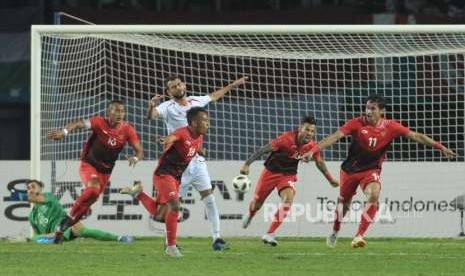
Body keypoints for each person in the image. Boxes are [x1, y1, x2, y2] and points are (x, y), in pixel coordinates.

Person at [303, 94, 456, 248]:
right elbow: (335, 136)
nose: (368, 111)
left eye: (373, 108)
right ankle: (335, 231)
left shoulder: (391, 126)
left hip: (371, 170)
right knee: (344, 204)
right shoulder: (356, 123)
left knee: (374, 194)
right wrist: (313, 150)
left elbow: (416, 136)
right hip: (350, 170)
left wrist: (440, 146)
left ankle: (359, 236)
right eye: (367, 107)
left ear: (382, 111)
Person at [123, 75, 247, 251]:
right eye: (173, 86)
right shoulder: (167, 107)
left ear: (184, 85)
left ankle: (217, 238)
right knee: (163, 212)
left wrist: (233, 85)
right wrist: (151, 105)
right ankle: (167, 237)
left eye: (179, 84)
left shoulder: (195, 101)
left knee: (209, 198)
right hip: (177, 165)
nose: (178, 87)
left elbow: (213, 96)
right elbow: (152, 116)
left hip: (197, 161)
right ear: (169, 92)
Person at [48, 100, 143, 243]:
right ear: (108, 112)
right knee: (93, 189)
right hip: (89, 164)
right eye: (116, 110)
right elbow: (78, 123)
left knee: (90, 200)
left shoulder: (128, 130)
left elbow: (139, 150)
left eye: (122, 111)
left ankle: (64, 226)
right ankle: (66, 221)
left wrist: (135, 158)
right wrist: (64, 132)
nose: (120, 114)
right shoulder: (99, 122)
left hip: (105, 172)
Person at [239, 116, 339, 246]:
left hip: (288, 175)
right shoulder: (286, 139)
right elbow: (263, 150)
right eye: (307, 129)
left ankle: (270, 234)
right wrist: (247, 164)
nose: (309, 133)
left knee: (288, 200)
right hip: (270, 172)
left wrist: (330, 180)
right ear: (300, 129)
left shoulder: (311, 146)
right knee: (257, 203)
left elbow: (319, 162)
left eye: (312, 131)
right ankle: (251, 214)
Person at [122, 107, 209, 257]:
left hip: (176, 178)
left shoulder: (199, 136)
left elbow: (195, 147)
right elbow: (173, 137)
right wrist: (165, 139)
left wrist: (201, 151)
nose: (208, 123)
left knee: (159, 215)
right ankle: (171, 247)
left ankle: (138, 194)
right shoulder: (182, 133)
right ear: (194, 122)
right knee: (175, 206)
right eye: (205, 120)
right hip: (164, 174)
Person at [11, 179, 133, 244]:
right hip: (53, 237)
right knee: (40, 239)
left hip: (65, 226)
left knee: (81, 230)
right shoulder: (32, 216)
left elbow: (36, 198)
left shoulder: (48, 197)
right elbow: (39, 234)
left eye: (33, 186)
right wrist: (38, 239)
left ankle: (119, 238)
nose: (30, 190)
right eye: (28, 188)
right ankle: (47, 241)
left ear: (40, 188)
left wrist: (17, 196)